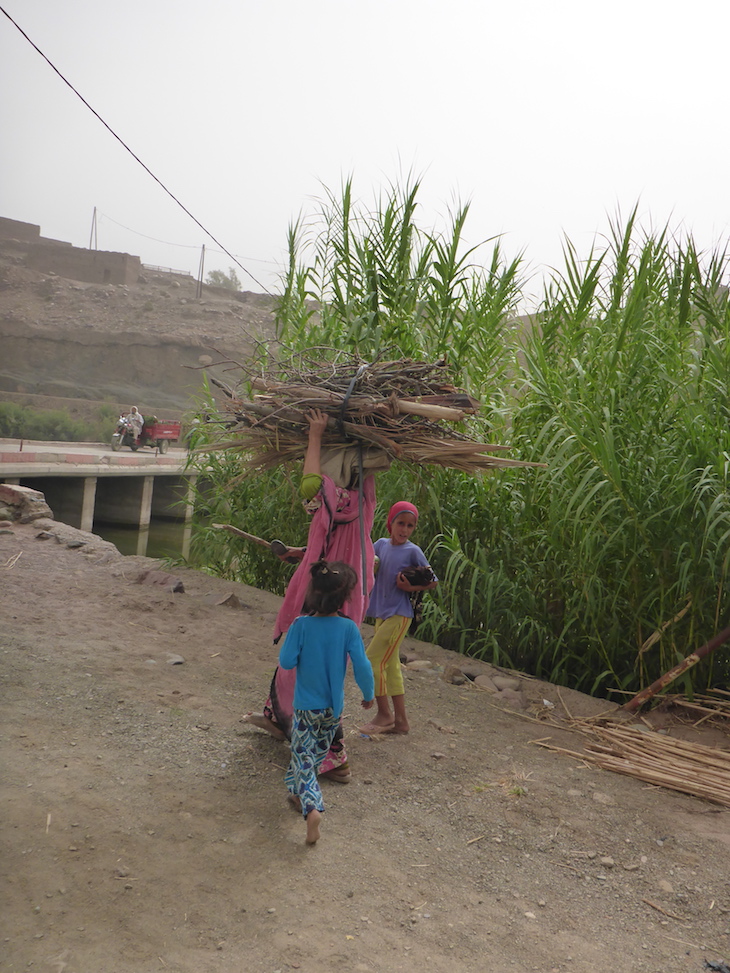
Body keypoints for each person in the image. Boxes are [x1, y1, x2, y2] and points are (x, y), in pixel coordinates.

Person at [243, 407, 386, 783]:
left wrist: (315, 435)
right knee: (315, 671)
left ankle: (334, 758)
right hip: (345, 593)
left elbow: (310, 485)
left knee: (314, 673)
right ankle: (278, 719)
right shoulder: (363, 502)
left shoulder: (338, 499)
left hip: (325, 594)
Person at [279, 559, 375, 845]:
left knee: (303, 758)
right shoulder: (348, 629)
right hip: (333, 710)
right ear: (344, 597)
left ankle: (313, 807)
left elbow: (285, 661)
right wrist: (369, 695)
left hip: (306, 707)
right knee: (313, 755)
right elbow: (362, 666)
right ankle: (297, 794)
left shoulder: (301, 625)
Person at [359, 500, 438, 736]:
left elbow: (433, 581)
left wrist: (410, 587)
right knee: (391, 667)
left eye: (410, 526)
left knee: (371, 661)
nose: (404, 529)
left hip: (399, 614)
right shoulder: (380, 545)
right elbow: (365, 562)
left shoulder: (413, 551)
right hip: (381, 615)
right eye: (400, 523)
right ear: (389, 524)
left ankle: (384, 714)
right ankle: (401, 722)